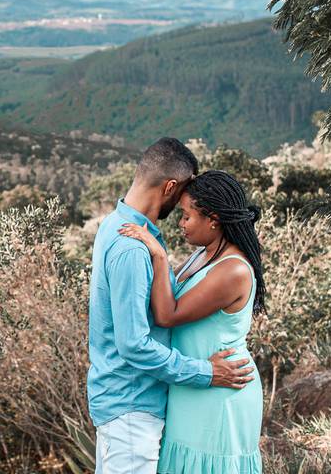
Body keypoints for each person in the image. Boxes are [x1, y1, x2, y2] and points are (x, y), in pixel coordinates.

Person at [88, 139, 254, 474]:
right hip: (133, 405)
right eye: (182, 201)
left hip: (135, 401)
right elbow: (134, 344)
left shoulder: (114, 226)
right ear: (170, 186)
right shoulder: (133, 247)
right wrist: (205, 371)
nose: (182, 214)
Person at [120, 170, 264, 473]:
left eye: (187, 216)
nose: (181, 223)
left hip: (222, 389)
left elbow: (167, 314)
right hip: (197, 381)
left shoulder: (233, 270)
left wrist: (159, 256)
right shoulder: (203, 254)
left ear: (212, 218)